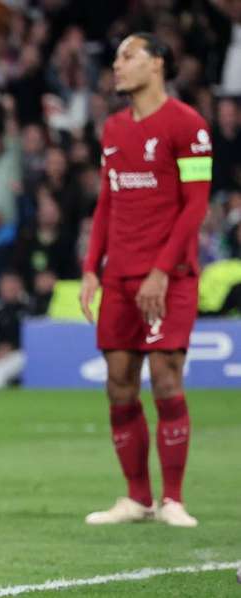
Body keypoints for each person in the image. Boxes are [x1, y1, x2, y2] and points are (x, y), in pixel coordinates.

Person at [80, 33, 211, 527]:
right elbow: (107, 201)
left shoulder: (189, 125)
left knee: (164, 376)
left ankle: (173, 499)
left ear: (157, 64)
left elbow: (195, 206)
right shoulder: (113, 128)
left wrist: (161, 270)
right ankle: (137, 498)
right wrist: (93, 266)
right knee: (118, 383)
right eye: (115, 57)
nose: (117, 65)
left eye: (127, 56)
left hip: (170, 276)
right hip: (120, 275)